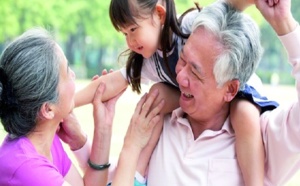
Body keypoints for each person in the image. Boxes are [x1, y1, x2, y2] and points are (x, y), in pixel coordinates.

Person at [75, 0, 278, 184]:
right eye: (125, 33)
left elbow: (230, 7)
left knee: (244, 113)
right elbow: (110, 83)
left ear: (160, 14)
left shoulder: (189, 25)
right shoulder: (150, 61)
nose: (129, 41)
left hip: (238, 87)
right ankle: (138, 173)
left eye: (133, 29)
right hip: (193, 93)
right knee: (156, 97)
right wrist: (67, 103)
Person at [131, 0, 300, 185]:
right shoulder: (158, 120)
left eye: (195, 72)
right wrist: (103, 132)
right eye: (182, 59)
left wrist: (284, 23)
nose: (180, 78)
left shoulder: (264, 139)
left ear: (230, 89)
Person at [0, 28, 164, 186]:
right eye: (67, 71)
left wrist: (103, 126)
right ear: (48, 109)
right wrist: (132, 145)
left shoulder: (43, 141)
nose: (73, 75)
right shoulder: (27, 169)